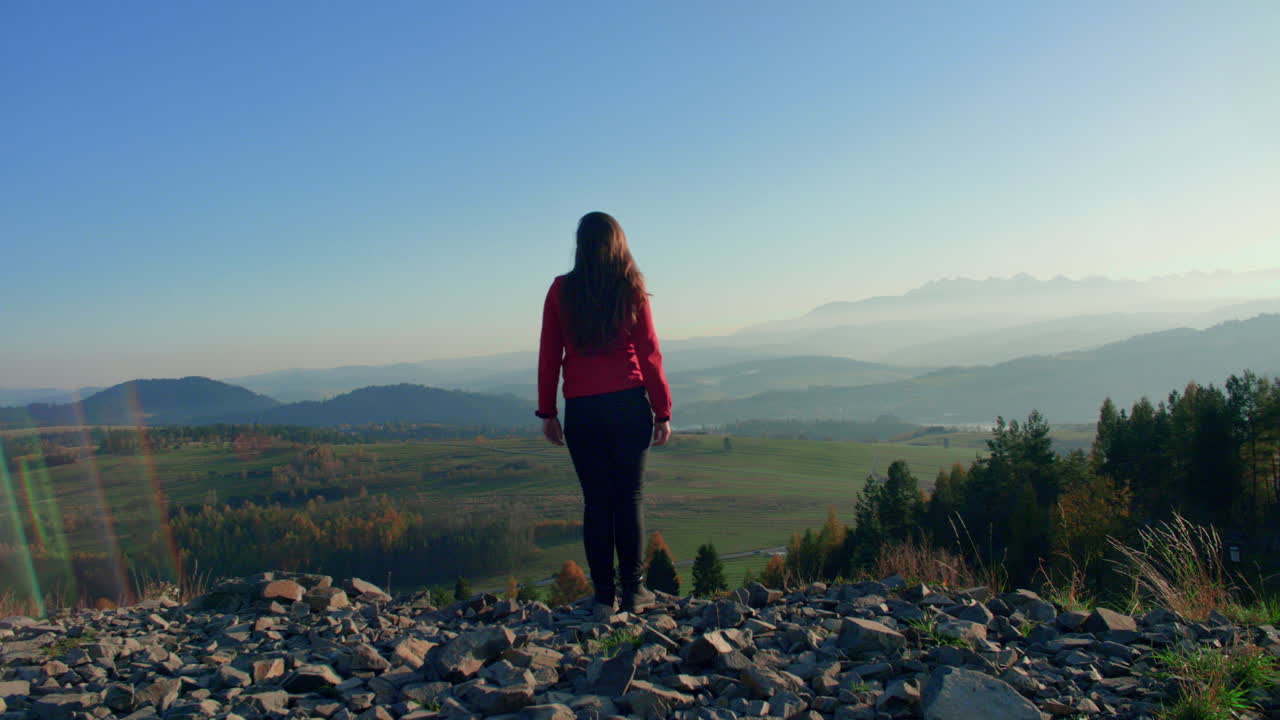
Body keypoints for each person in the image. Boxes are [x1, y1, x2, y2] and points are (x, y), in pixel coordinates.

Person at [536, 211, 672, 614]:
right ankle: (634, 591)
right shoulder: (630, 287)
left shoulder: (561, 290)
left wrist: (548, 411)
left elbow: (550, 355)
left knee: (596, 502)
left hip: (583, 410)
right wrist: (662, 411)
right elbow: (649, 353)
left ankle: (602, 595)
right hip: (628, 406)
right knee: (629, 499)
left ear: (580, 246)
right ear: (618, 243)